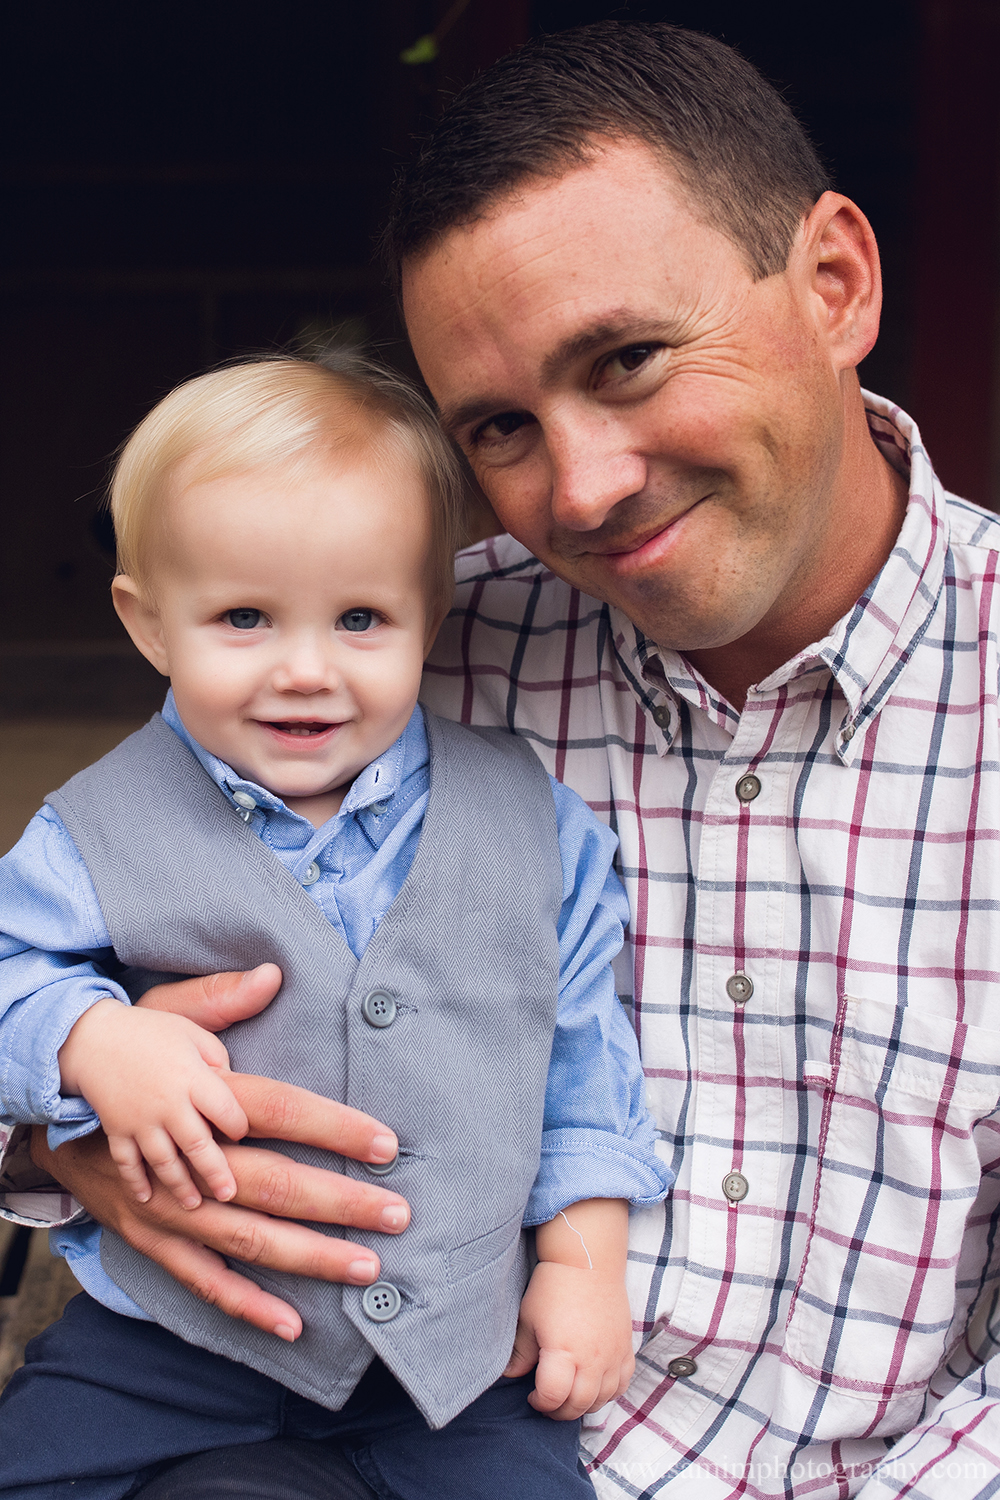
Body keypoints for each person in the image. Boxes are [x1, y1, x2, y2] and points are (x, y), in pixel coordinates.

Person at [2, 17, 998, 1498]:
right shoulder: (385, 664)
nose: (584, 487)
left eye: (632, 358)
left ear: (835, 283)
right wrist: (64, 1135)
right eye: (501, 428)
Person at [0, 354, 671, 1499]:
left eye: (361, 618)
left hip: (458, 1365)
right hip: (172, 1336)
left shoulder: (532, 825)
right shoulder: (93, 830)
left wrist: (580, 1260)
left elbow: (577, 1060)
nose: (305, 670)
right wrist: (85, 1036)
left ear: (431, 615)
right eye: (244, 618)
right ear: (150, 622)